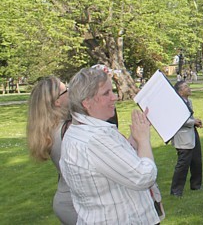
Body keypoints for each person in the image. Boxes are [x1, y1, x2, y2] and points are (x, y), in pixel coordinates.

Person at [60, 67, 159, 225]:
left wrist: (135, 136)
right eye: (106, 93)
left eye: (112, 91)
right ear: (87, 102)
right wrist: (143, 139)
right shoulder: (94, 139)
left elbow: (116, 161)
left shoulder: (82, 130)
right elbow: (143, 176)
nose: (114, 97)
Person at [26, 76, 77, 225]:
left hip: (65, 200)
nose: (70, 91)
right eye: (66, 90)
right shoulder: (68, 130)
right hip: (75, 203)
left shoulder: (50, 130)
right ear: (57, 101)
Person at [170, 80, 203, 197]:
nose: (189, 88)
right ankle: (176, 190)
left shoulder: (189, 101)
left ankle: (196, 185)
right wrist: (193, 122)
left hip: (192, 133)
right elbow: (177, 120)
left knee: (197, 160)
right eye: (185, 87)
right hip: (183, 136)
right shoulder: (176, 104)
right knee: (183, 163)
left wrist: (195, 123)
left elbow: (188, 118)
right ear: (179, 92)